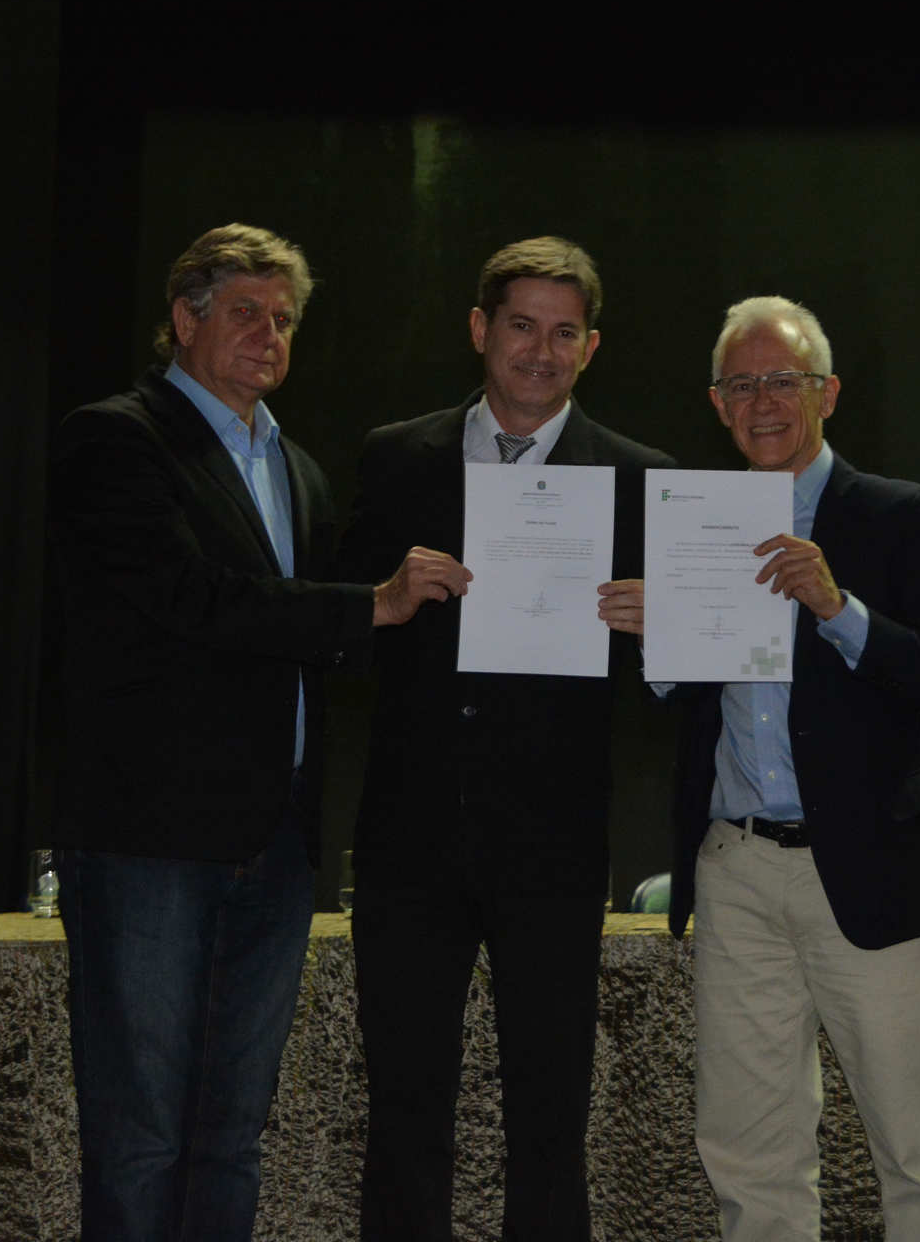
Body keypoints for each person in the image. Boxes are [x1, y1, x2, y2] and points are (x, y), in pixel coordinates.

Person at [48, 224, 467, 1242]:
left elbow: (335, 627)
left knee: (233, 1136)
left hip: (275, 843)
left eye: (284, 319)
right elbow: (189, 596)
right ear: (183, 318)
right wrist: (372, 603)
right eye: (245, 312)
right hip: (151, 839)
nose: (268, 335)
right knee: (141, 1136)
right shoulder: (116, 438)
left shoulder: (298, 468)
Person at [598, 296, 920, 1242]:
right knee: (749, 1156)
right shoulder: (694, 524)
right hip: (735, 869)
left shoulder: (901, 515)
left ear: (829, 394)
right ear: (717, 405)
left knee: (914, 1153)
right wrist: (653, 637)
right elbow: (687, 700)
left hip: (872, 866)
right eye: (741, 385)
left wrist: (838, 608)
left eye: (784, 380)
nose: (762, 402)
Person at [336, 236, 675, 1241]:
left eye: (564, 332)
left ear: (592, 347)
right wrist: (381, 597)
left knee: (551, 1112)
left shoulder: (640, 477)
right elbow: (338, 630)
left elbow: (673, 691)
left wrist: (662, 631)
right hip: (409, 839)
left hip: (553, 846)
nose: (541, 350)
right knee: (404, 1106)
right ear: (481, 329)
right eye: (522, 325)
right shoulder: (395, 455)